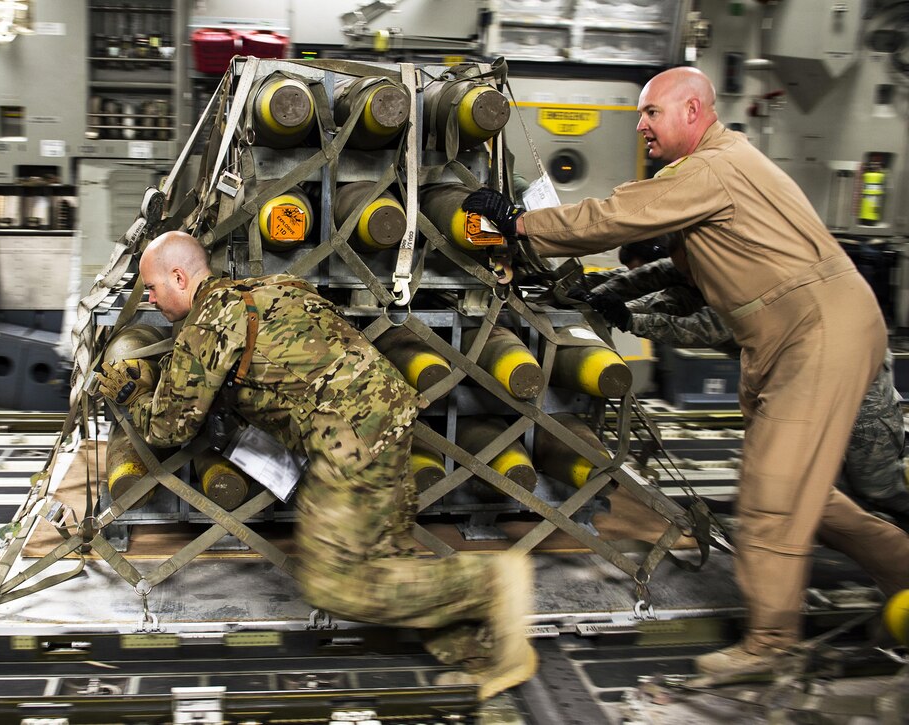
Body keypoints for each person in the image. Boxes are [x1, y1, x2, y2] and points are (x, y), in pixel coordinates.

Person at [463, 66, 909, 674]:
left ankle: (770, 645)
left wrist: (517, 224)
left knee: (770, 498)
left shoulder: (709, 169)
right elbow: (681, 270)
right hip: (796, 336)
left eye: (652, 112)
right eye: (641, 113)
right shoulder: (722, 169)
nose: (642, 124)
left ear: (693, 112)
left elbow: (612, 218)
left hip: (814, 335)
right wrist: (612, 292)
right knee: (807, 496)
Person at [95, 230, 537, 700]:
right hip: (387, 417)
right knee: (384, 559)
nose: (149, 299)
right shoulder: (271, 287)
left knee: (337, 583)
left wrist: (134, 394)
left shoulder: (207, 325)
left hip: (348, 440)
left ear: (179, 277)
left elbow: (169, 428)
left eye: (152, 288)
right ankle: (483, 652)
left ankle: (492, 582)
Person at [578, 248, 909, 530]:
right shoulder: (693, 263)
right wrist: (593, 292)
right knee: (796, 473)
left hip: (851, 379)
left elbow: (706, 329)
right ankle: (784, 519)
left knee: (875, 485)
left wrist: (629, 320)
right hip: (796, 383)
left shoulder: (746, 282)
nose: (685, 272)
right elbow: (647, 282)